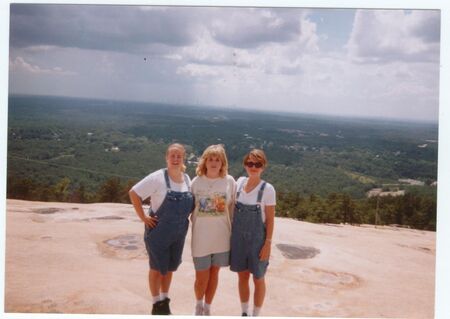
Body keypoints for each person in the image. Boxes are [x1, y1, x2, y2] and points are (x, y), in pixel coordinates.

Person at [129, 143, 194, 315]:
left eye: (178, 156)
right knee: (157, 268)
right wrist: (143, 217)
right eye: (172, 155)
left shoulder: (187, 179)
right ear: (166, 158)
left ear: (183, 158)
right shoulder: (158, 177)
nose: (175, 159)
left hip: (179, 234)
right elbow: (134, 193)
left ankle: (165, 300)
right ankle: (156, 303)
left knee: (170, 268)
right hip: (159, 233)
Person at [191, 144, 236, 316]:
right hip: (201, 238)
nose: (214, 162)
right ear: (205, 161)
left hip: (221, 238)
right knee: (201, 277)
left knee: (214, 273)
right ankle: (198, 305)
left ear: (223, 162)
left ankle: (208, 307)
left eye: (218, 159)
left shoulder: (230, 181)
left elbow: (233, 209)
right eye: (211, 159)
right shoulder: (196, 182)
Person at [230, 149, 276, 317]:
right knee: (242, 277)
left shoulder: (268, 189)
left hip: (258, 241)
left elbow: (270, 220)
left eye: (257, 164)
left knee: (258, 278)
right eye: (250, 163)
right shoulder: (240, 183)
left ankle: (255, 314)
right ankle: (244, 312)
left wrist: (268, 244)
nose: (253, 167)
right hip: (238, 240)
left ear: (263, 166)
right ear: (245, 165)